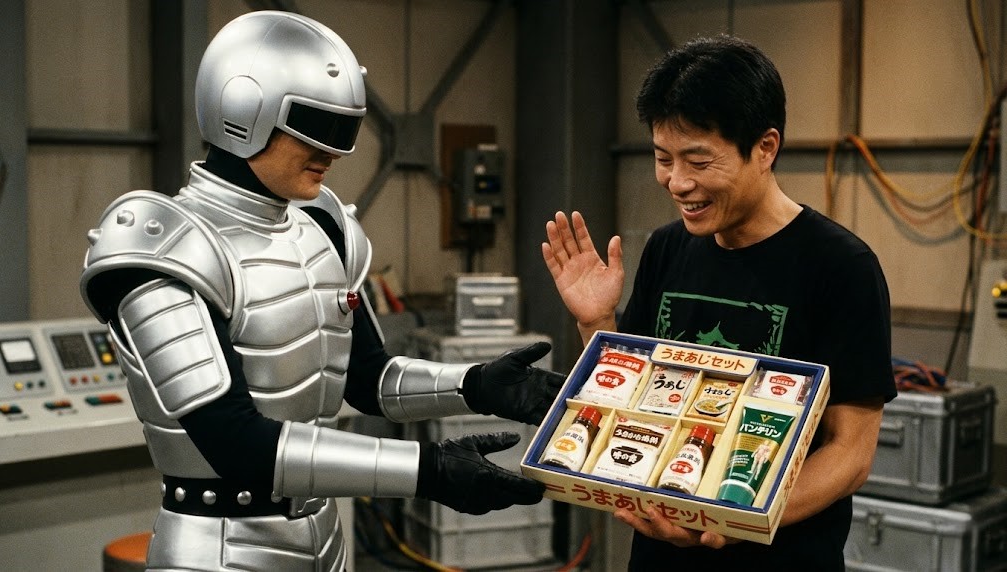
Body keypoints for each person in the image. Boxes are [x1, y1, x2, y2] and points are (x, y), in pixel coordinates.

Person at [79, 11, 561, 571]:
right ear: (242, 110)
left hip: (325, 539)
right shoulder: (164, 246)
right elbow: (233, 441)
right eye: (313, 126)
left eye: (345, 129)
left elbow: (370, 380)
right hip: (219, 547)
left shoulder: (324, 228)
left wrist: (478, 386)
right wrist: (428, 471)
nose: (332, 153)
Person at [542, 34, 895, 570]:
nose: (677, 182)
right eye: (663, 159)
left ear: (765, 148)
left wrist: (729, 519)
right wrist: (597, 322)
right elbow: (633, 400)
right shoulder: (666, 249)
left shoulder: (841, 267)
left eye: (699, 161)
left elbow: (851, 455)